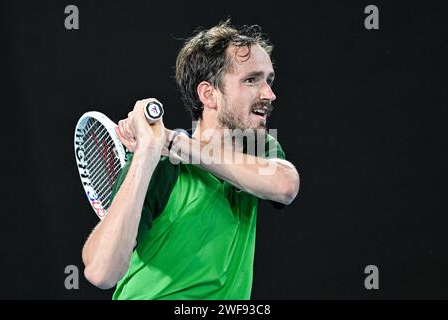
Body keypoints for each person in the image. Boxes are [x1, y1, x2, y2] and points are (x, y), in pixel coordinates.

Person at [82, 19, 300, 300]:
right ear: (209, 94)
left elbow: (285, 186)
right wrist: (148, 151)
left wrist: (172, 141)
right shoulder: (161, 166)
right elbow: (101, 272)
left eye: (268, 80)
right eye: (251, 80)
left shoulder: (257, 149)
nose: (269, 94)